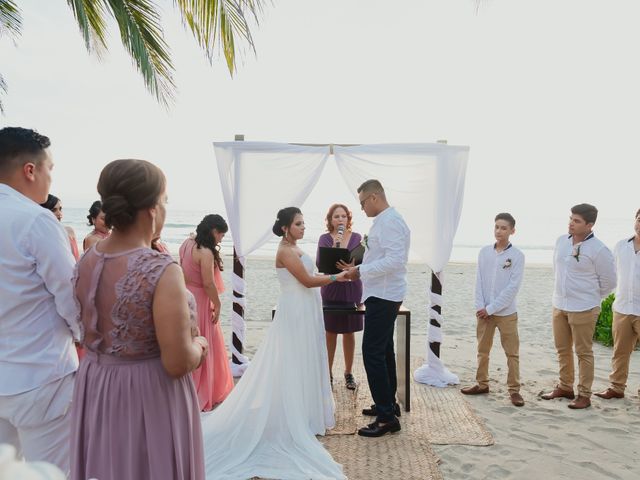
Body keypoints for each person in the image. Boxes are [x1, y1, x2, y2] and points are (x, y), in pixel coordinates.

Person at [70, 159, 208, 480]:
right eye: (165, 201)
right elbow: (176, 361)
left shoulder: (87, 259)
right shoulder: (162, 270)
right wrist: (200, 345)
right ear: (151, 209)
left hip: (97, 384)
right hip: (148, 394)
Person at [201, 207, 347, 480]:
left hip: (306, 308)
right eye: (299, 224)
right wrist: (340, 277)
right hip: (295, 309)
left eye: (304, 223)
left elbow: (312, 277)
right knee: (293, 359)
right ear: (285, 228)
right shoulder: (284, 252)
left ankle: (305, 411)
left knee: (305, 358)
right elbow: (306, 280)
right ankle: (293, 414)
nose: (304, 227)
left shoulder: (295, 248)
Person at [0, 127, 80, 473]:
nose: (50, 178)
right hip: (41, 375)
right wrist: (84, 335)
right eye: (50, 168)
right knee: (51, 471)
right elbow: (69, 293)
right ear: (30, 170)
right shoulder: (36, 219)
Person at [344, 179, 410, 438]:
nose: (361, 208)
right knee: (383, 351)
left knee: (371, 351)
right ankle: (389, 404)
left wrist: (360, 271)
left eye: (362, 202)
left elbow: (395, 260)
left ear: (374, 197)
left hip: (384, 295)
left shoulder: (391, 221)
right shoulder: (385, 221)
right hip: (380, 293)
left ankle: (386, 418)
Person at [541, 203, 616, 409]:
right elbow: (558, 270)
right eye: (571, 219)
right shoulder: (561, 241)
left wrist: (589, 297)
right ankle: (565, 387)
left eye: (577, 221)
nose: (571, 223)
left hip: (584, 308)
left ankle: (584, 394)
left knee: (583, 352)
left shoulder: (599, 249)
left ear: (589, 225)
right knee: (562, 349)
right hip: (559, 305)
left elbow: (609, 282)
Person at [460, 213, 526, 407]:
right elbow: (479, 281)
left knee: (512, 353)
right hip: (484, 313)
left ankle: (514, 391)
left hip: (506, 314)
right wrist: (481, 307)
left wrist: (491, 308)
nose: (499, 231)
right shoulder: (484, 252)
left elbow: (512, 288)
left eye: (504, 228)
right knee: (482, 351)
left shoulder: (517, 256)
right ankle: (482, 384)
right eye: (497, 227)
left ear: (512, 231)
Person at [179, 214, 234, 411]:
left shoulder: (187, 243)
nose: (221, 239)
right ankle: (205, 391)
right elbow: (208, 283)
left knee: (189, 341)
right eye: (221, 234)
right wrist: (217, 304)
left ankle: (187, 391)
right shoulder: (205, 252)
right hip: (201, 300)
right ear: (213, 231)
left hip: (185, 296)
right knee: (207, 343)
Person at [316, 203, 364, 390]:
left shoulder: (358, 237)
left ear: (348, 218)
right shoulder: (324, 239)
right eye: (336, 216)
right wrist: (335, 245)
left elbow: (361, 263)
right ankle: (327, 373)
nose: (340, 219)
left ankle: (348, 372)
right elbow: (321, 264)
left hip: (352, 288)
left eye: (343, 216)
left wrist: (352, 270)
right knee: (330, 331)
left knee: (349, 331)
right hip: (331, 286)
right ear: (330, 220)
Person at [594, 208, 640, 400]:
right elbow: (611, 274)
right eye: (639, 219)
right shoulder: (621, 246)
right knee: (620, 351)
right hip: (622, 308)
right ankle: (616, 388)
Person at [40, 194, 80, 260]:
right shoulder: (41, 236)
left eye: (60, 209)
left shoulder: (69, 231)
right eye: (53, 210)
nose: (59, 214)